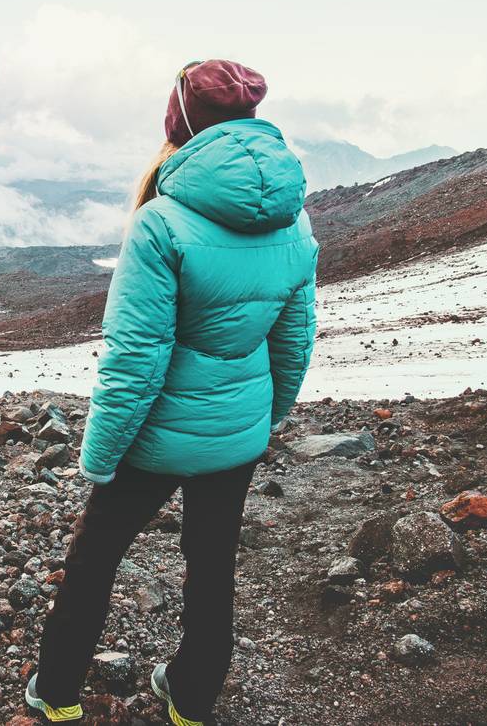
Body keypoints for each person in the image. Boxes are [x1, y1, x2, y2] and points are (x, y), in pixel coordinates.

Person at [24, 59, 320, 724]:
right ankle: (189, 699)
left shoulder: (161, 221)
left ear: (179, 124)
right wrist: (260, 423)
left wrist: (99, 457)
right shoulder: (294, 219)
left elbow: (136, 358)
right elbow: (295, 340)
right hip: (236, 435)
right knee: (212, 568)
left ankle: (59, 694)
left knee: (96, 561)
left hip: (154, 441)